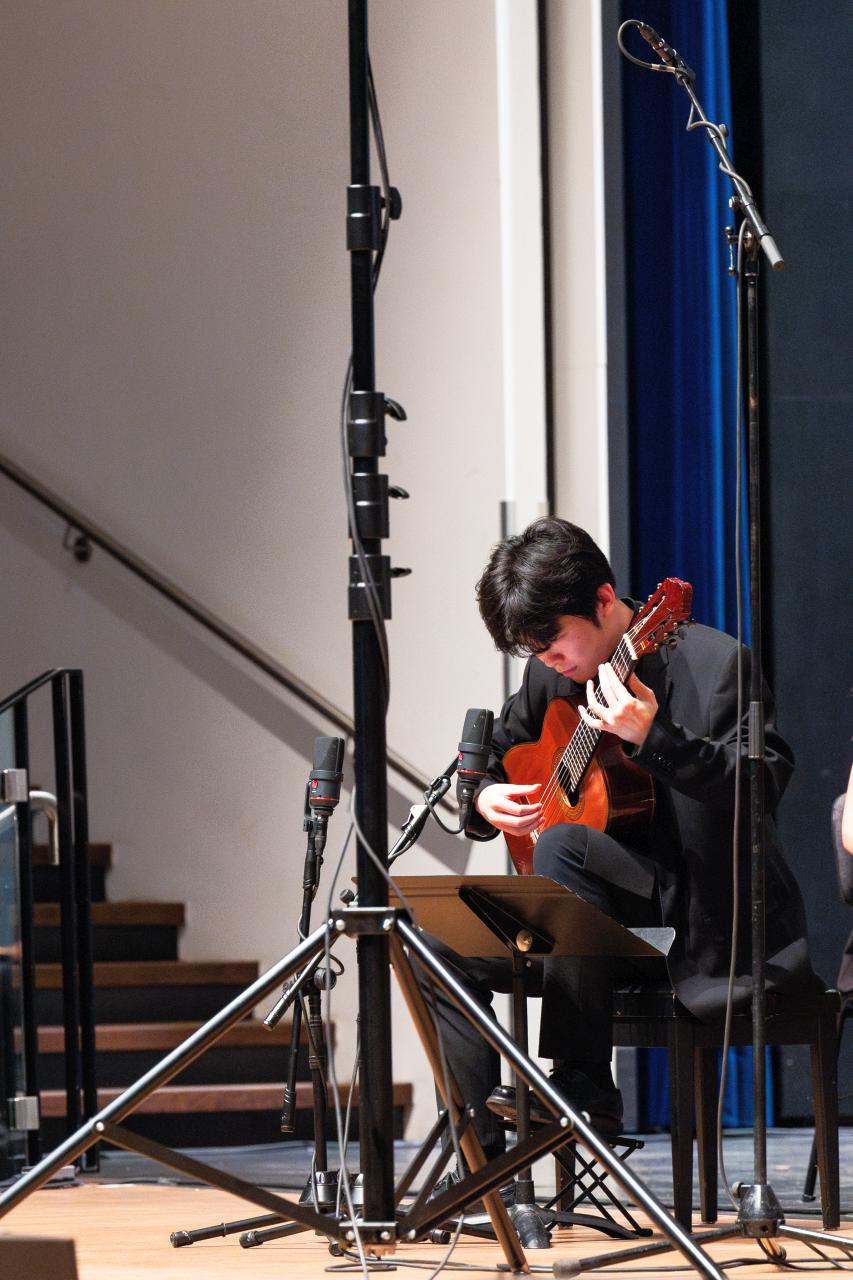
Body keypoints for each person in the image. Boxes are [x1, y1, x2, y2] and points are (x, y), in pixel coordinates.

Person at [427, 517, 819, 1157]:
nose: (549, 662)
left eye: (553, 643)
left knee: (561, 847)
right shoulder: (551, 680)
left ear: (604, 600)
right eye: (534, 653)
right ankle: (479, 1154)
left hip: (696, 922)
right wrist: (483, 796)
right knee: (433, 942)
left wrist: (655, 738)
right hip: (588, 932)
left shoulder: (715, 664)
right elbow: (492, 758)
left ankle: (583, 1086)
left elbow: (763, 784)